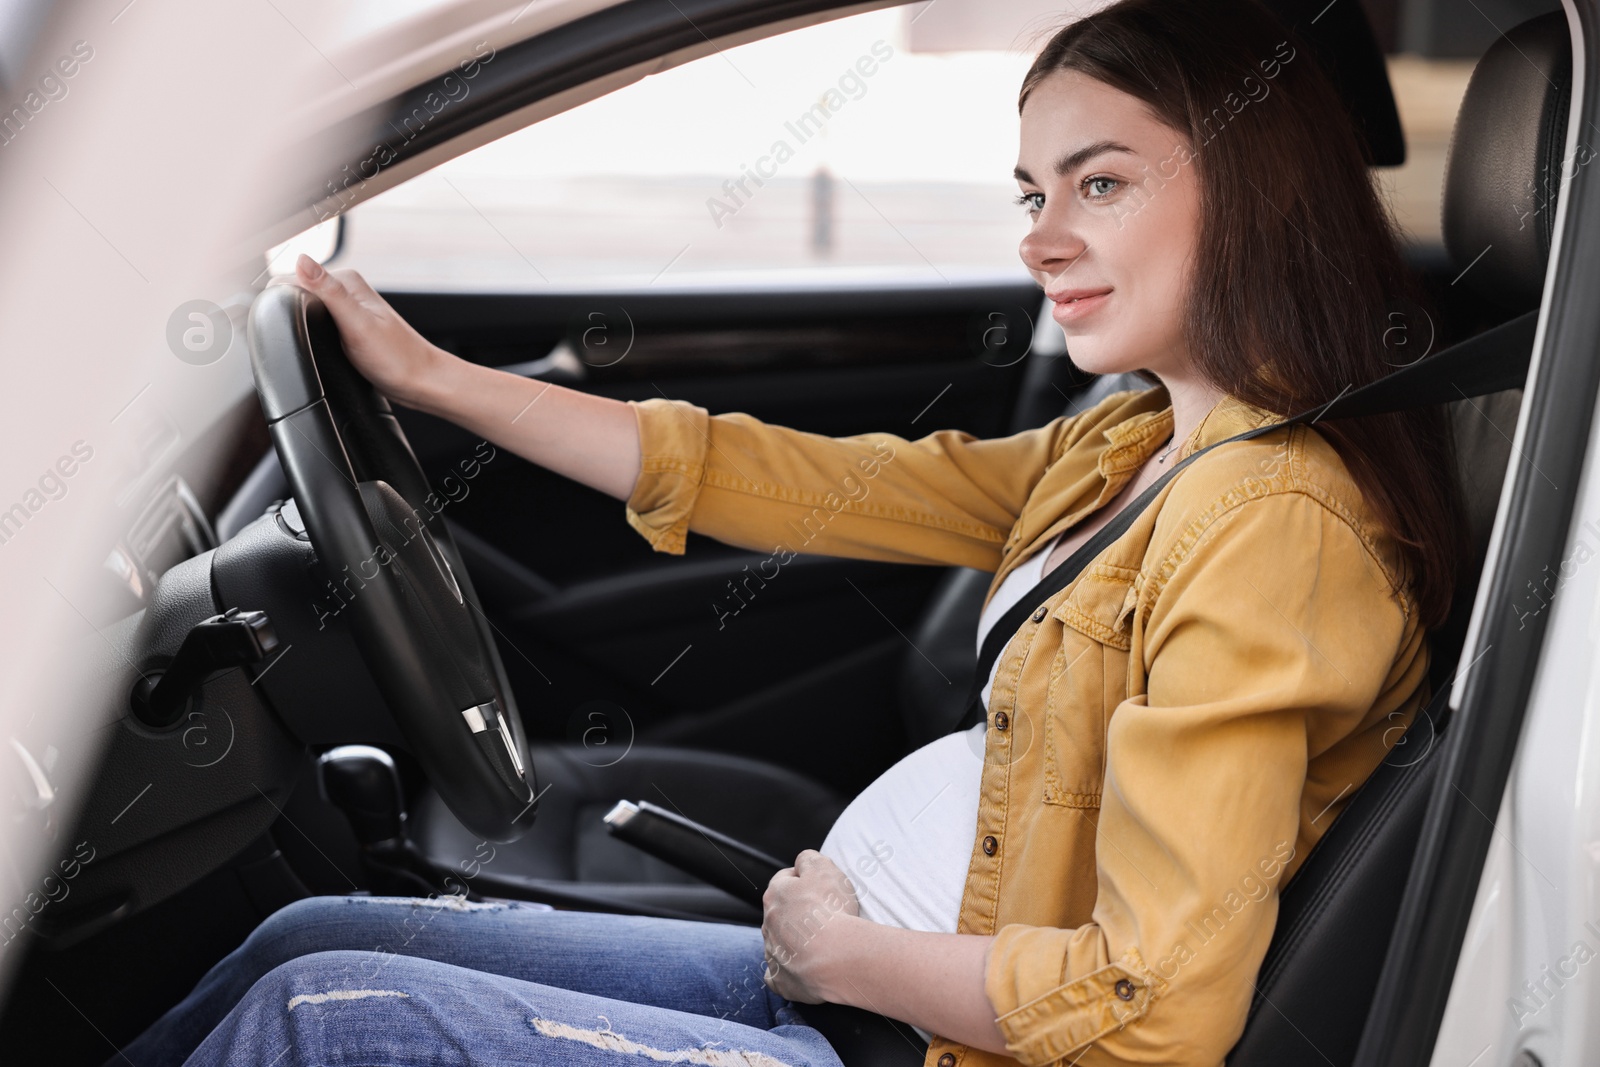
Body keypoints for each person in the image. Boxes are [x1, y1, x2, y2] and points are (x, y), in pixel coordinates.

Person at [117, 0, 1467, 1063]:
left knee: (323, 1017)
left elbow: (1151, 1006)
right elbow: (788, 476)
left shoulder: (1276, 528)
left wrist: (844, 959)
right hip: (878, 984)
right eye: (1029, 192)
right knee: (317, 933)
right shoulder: (1128, 449)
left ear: (1251, 194)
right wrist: (435, 380)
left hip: (925, 1035)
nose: (1041, 241)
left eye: (1098, 184)